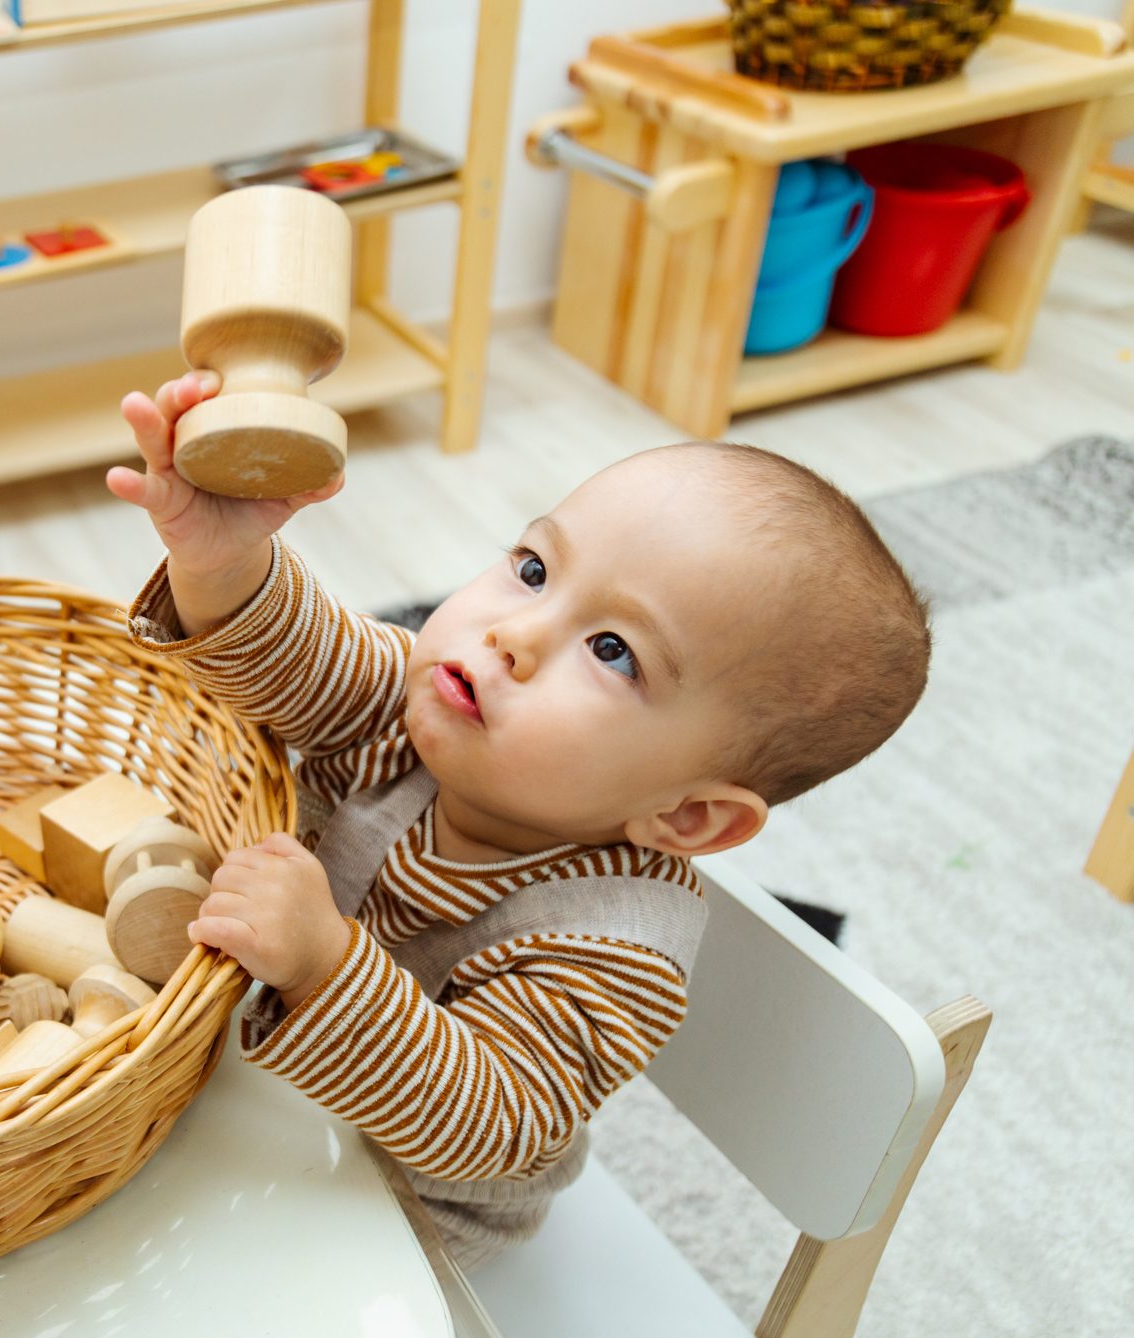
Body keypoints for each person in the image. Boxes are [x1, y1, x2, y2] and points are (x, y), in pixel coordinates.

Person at [107, 371, 932, 1264]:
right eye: (533, 569)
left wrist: (323, 964)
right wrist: (221, 561)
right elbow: (298, 660)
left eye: (612, 652)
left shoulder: (615, 948)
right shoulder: (431, 704)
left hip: (396, 1222)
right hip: (253, 1098)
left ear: (687, 816)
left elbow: (487, 1124)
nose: (515, 634)